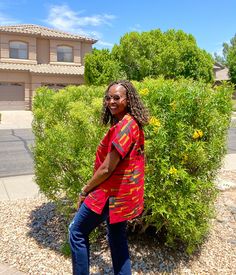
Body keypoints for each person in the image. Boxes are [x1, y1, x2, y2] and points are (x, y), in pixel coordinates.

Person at [69, 80, 149, 275]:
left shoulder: (125, 128)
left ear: (128, 99)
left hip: (110, 193)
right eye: (108, 98)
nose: (111, 102)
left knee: (77, 232)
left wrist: (85, 190)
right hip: (121, 196)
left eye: (116, 98)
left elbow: (107, 169)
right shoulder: (131, 123)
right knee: (116, 236)